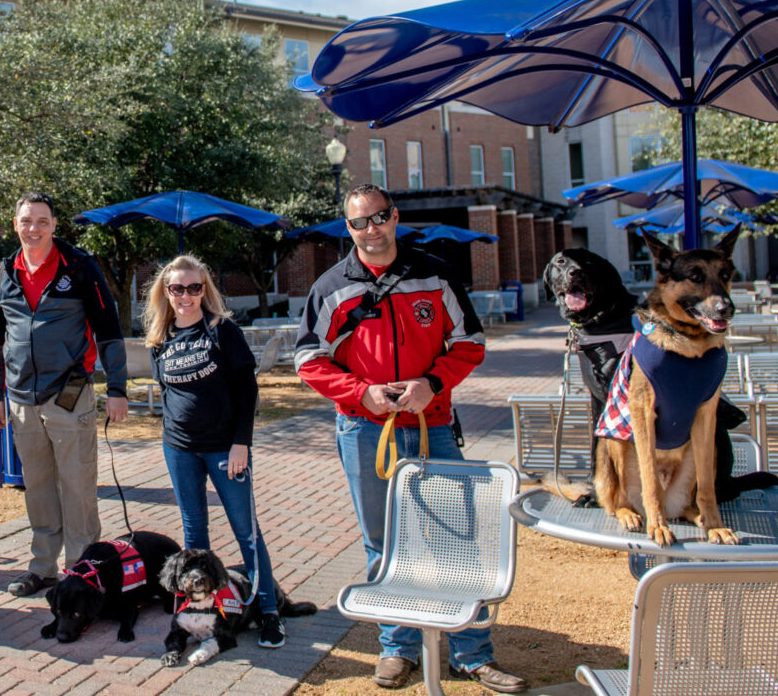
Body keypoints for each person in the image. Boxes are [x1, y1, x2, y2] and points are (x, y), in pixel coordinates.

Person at [292, 185, 526, 693]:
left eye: (379, 217)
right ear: (347, 228)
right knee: (383, 543)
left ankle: (472, 652)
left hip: (433, 423)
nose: (371, 229)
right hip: (365, 429)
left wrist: (432, 384)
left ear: (395, 216)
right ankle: (397, 648)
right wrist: (361, 393)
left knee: (460, 537)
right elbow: (308, 361)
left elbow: (470, 342)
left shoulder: (436, 272)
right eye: (359, 222)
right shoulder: (331, 286)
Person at [0, 191, 129, 598]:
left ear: (55, 225)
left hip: (70, 389)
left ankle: (83, 572)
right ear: (15, 224)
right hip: (20, 398)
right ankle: (43, 568)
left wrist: (117, 388)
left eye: (42, 221)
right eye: (26, 220)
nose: (34, 229)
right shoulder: (3, 272)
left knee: (78, 485)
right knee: (39, 486)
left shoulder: (80, 267)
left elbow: (109, 329)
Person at [142, 255, 286, 648]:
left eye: (194, 288)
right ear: (166, 293)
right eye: (177, 288)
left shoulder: (223, 331)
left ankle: (269, 611)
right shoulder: (160, 339)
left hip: (226, 448)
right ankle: (199, 614)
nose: (186, 295)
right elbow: (171, 395)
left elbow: (247, 391)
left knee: (246, 533)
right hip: (180, 450)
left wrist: (242, 443)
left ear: (204, 290)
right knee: (195, 536)